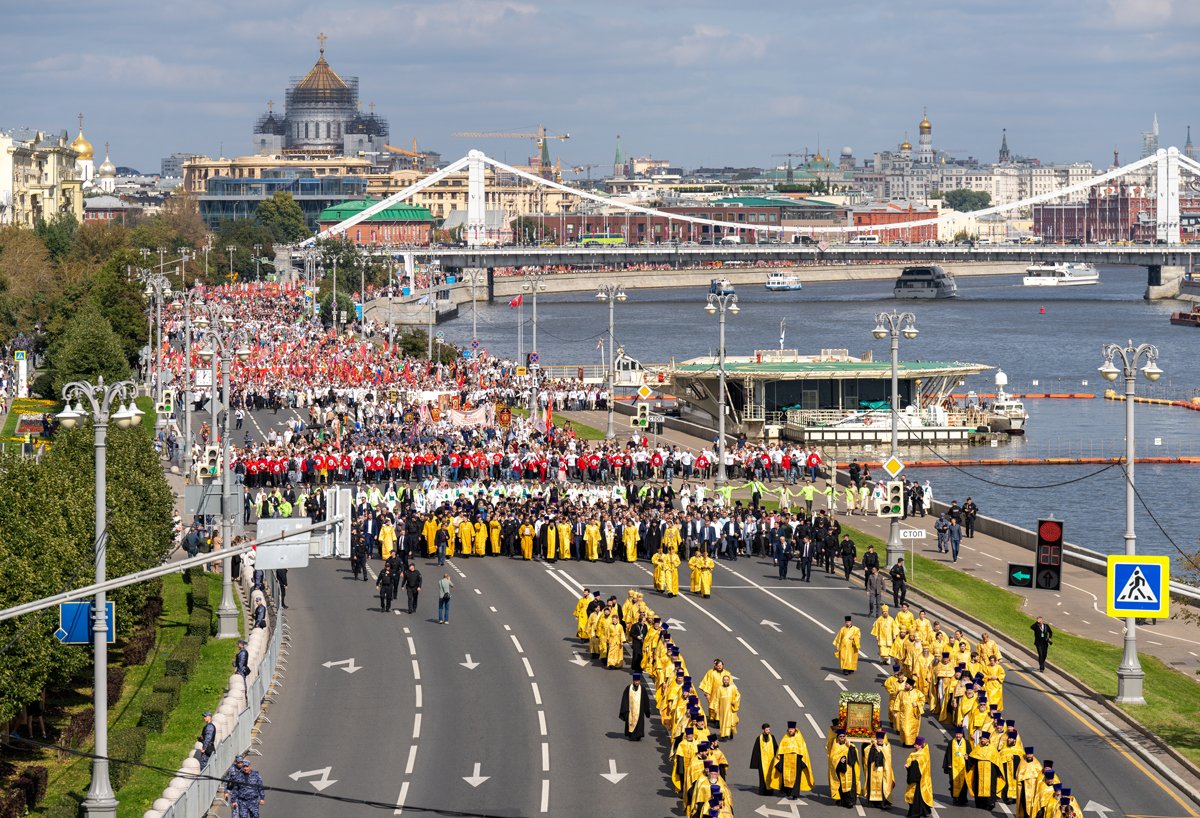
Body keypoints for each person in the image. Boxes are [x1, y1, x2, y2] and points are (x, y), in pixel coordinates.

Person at [774, 721, 814, 801]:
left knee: (796, 779)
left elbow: (803, 750)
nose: (790, 730)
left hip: (797, 761)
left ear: (795, 729)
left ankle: (795, 794)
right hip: (786, 761)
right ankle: (787, 791)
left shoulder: (799, 738)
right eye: (789, 729)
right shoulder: (785, 737)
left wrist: (803, 761)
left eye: (791, 729)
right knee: (786, 776)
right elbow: (781, 749)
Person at [966, 731, 1003, 810]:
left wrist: (999, 772)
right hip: (979, 771)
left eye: (984, 739)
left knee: (991, 787)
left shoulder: (992, 749)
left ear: (988, 740)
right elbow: (972, 758)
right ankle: (980, 803)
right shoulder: (978, 748)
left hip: (991, 772)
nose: (982, 740)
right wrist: (968, 759)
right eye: (982, 739)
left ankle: (990, 803)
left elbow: (997, 761)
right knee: (978, 785)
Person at [861, 731, 895, 809]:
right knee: (872, 785)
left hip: (881, 769)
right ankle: (873, 802)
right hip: (873, 769)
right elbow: (866, 753)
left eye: (881, 739)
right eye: (878, 739)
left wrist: (876, 745)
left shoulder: (886, 746)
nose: (879, 740)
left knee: (881, 786)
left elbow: (885, 755)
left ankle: (882, 803)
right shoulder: (871, 746)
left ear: (883, 739)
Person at [827, 728, 860, 808]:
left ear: (845, 737)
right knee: (841, 786)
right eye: (840, 736)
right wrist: (840, 761)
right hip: (839, 769)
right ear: (838, 737)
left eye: (843, 736)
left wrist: (850, 748)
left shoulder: (851, 746)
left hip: (849, 769)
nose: (842, 737)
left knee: (849, 787)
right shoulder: (835, 746)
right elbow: (832, 758)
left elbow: (854, 758)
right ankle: (841, 800)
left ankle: (849, 802)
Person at [904, 737, 934, 817]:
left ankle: (916, 813)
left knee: (918, 797)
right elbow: (909, 759)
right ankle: (922, 811)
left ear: (920, 745)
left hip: (920, 778)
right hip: (913, 776)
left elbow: (920, 765)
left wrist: (912, 764)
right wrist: (908, 764)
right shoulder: (913, 753)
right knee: (913, 796)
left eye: (916, 745)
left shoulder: (924, 754)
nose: (914, 746)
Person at [750, 723, 783, 796]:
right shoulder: (759, 738)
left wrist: (778, 758)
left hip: (771, 761)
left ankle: (770, 791)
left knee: (771, 776)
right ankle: (763, 791)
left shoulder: (772, 737)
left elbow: (775, 748)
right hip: (762, 762)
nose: (768, 731)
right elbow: (756, 751)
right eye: (767, 729)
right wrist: (756, 763)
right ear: (763, 730)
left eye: (769, 729)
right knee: (762, 777)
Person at [619, 672, 651, 740]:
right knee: (630, 722)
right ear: (633, 681)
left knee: (639, 723)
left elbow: (646, 700)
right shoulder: (628, 688)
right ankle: (631, 735)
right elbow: (625, 700)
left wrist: (647, 711)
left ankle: (638, 735)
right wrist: (625, 711)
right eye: (635, 681)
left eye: (638, 681)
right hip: (631, 710)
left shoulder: (642, 689)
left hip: (639, 710)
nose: (637, 682)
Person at [943, 725, 970, 806]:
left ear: (962, 734)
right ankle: (955, 798)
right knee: (953, 782)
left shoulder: (966, 743)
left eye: (959, 734)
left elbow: (970, 753)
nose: (958, 735)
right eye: (957, 734)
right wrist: (949, 764)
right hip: (953, 767)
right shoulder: (951, 742)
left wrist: (967, 757)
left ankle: (963, 800)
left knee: (964, 784)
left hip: (963, 767)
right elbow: (948, 754)